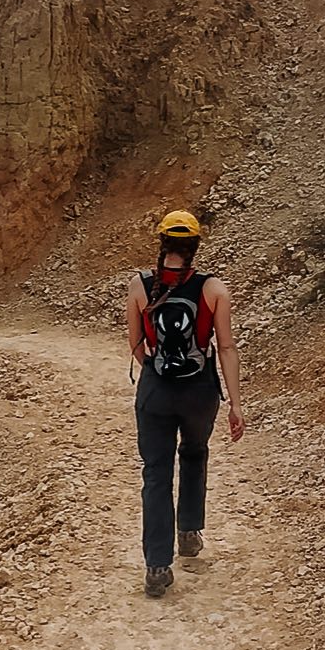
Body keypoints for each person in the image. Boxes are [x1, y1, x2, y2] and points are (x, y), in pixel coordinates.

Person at [127, 208, 245, 598]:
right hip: (199, 391)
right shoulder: (214, 289)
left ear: (162, 243)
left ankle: (157, 566)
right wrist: (235, 404)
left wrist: (158, 373)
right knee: (194, 452)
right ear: (195, 245)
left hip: (155, 391)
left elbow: (136, 346)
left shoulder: (139, 286)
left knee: (155, 474)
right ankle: (189, 532)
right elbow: (225, 347)